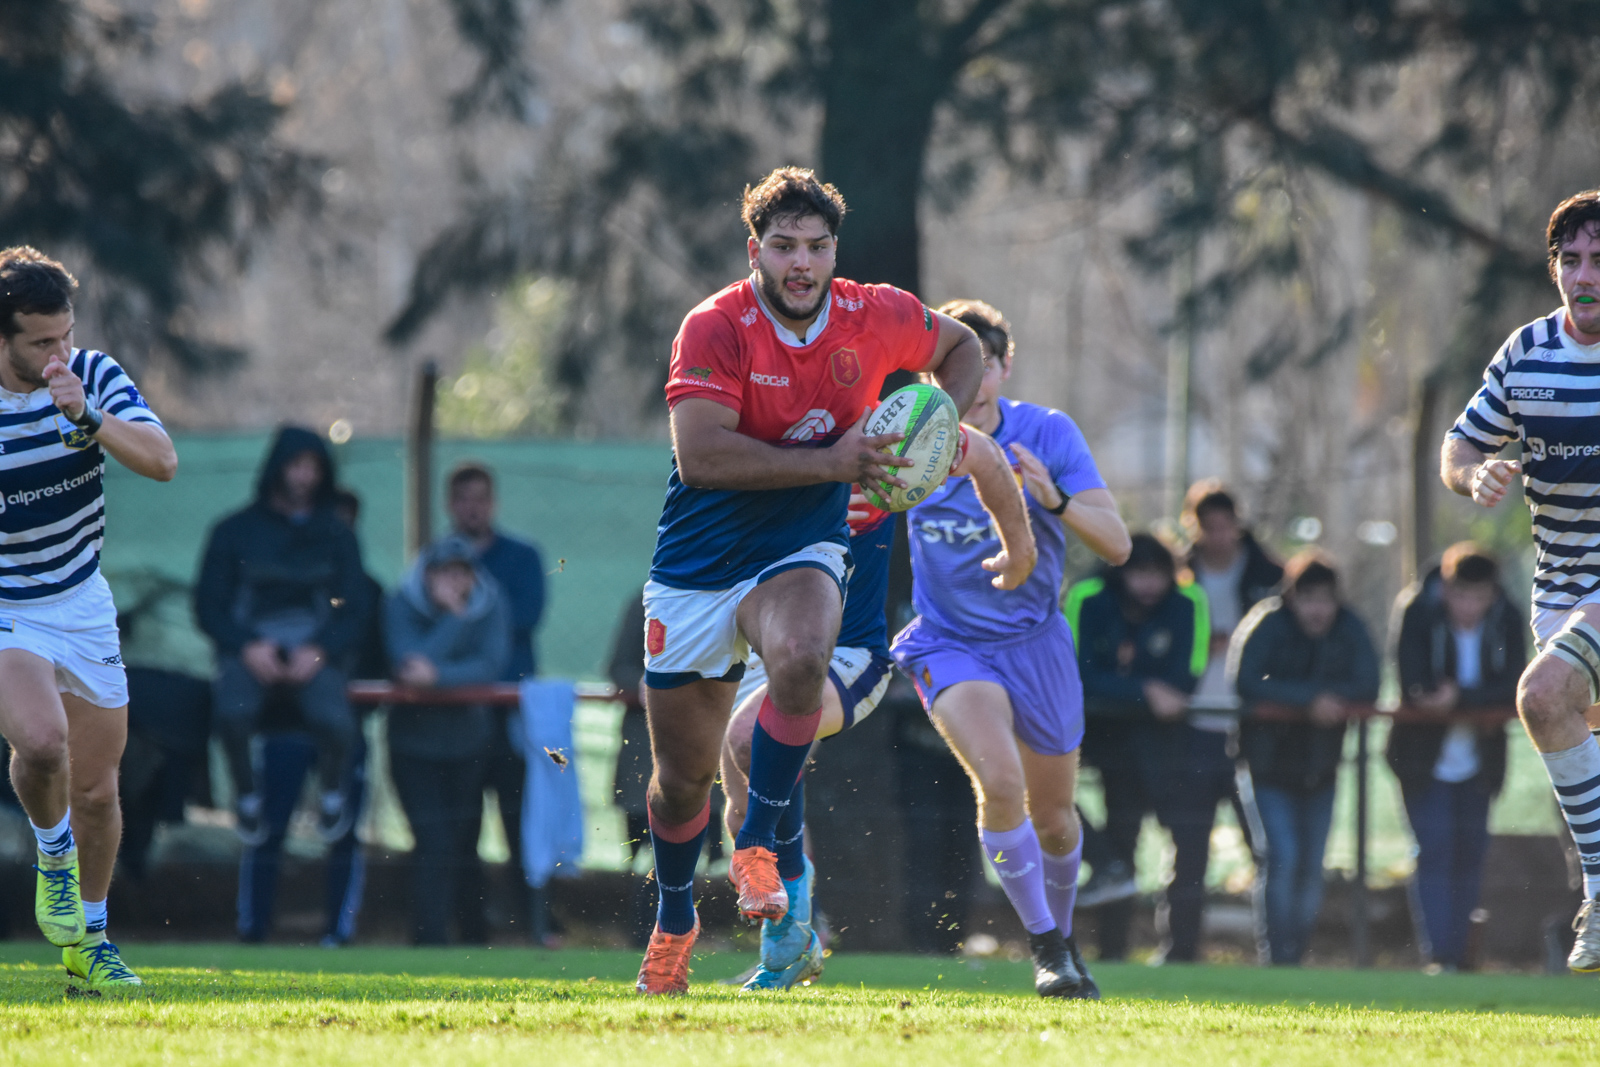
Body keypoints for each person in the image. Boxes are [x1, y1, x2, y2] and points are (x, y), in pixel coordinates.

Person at [635, 166, 985, 994]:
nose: (801, 263)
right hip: (697, 564)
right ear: (754, 250)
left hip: (801, 547)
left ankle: (758, 846)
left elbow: (962, 347)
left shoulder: (876, 315)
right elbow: (701, 456)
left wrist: (938, 430)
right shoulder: (714, 326)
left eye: (817, 247)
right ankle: (676, 919)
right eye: (784, 245)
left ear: (835, 252)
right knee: (681, 783)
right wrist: (833, 461)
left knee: (799, 654)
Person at [893, 298, 1131, 998]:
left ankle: (1064, 941)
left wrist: (1054, 500)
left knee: (1055, 820)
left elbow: (1117, 544)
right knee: (1000, 783)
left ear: (1002, 366)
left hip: (1036, 643)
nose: (969, 380)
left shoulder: (1046, 432)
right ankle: (1046, 946)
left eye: (983, 363)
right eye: (949, 368)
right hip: (950, 642)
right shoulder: (906, 436)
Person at [721, 458, 1034, 989]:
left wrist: (1019, 546)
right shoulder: (776, 445)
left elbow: (980, 452)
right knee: (741, 810)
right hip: (764, 645)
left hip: (847, 655)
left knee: (752, 738)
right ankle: (791, 940)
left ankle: (795, 919)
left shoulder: (884, 442)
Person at [0, 246, 178, 987]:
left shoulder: (92, 375)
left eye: (66, 334)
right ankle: (54, 858)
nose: (58, 353)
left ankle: (91, 944)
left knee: (99, 792)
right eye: (41, 341)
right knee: (44, 743)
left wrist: (87, 416)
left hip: (80, 598)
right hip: (7, 604)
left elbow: (162, 461)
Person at [1440, 189, 1600, 974]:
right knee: (1572, 726)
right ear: (1553, 269)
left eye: (1599, 260)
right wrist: (1474, 476)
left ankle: (1599, 894)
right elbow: (1459, 447)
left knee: (1540, 695)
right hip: (1560, 594)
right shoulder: (1527, 353)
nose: (1585, 275)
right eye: (1571, 260)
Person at [196, 425, 366, 844]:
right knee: (231, 714)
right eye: (296, 465)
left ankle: (332, 793)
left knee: (337, 723)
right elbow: (208, 606)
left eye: (313, 468)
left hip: (315, 655)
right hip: (249, 651)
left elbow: (355, 608)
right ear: (277, 467)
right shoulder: (233, 531)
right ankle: (246, 796)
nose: (305, 477)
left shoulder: (338, 536)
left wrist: (321, 650)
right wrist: (246, 647)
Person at [235, 487, 382, 947]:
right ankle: (254, 928)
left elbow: (378, 661)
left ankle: (338, 930)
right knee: (268, 828)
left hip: (344, 732)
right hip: (285, 728)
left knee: (344, 832)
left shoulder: (368, 593)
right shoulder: (276, 584)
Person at [1064, 533, 1208, 962]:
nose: (1148, 584)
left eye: (1157, 574)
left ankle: (1176, 951)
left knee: (1181, 842)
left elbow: (1183, 681)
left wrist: (1130, 688)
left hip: (1166, 750)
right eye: (1139, 573)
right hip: (1104, 743)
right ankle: (1110, 950)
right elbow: (1079, 673)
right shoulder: (1090, 599)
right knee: (1115, 847)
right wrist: (1144, 691)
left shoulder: (1187, 604)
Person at [1232, 550, 1379, 965]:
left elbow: (1368, 682)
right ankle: (1278, 957)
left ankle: (1295, 955)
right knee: (1282, 858)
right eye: (1308, 599)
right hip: (1266, 767)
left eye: (1325, 599)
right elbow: (1245, 680)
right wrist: (1310, 700)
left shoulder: (1350, 628)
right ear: (1292, 598)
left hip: (1322, 769)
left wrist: (1330, 700)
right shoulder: (1267, 623)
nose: (1317, 610)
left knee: (1311, 866)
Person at [1387, 541, 1525, 971]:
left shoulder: (1508, 618)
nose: (1469, 606)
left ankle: (1462, 956)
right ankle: (1439, 956)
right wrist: (1454, 701)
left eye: (1479, 597)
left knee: (1470, 855)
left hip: (1481, 760)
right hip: (1422, 759)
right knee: (1435, 852)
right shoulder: (1417, 612)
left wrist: (1460, 698)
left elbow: (1516, 684)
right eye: (1461, 595)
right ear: (1446, 589)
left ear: (1492, 594)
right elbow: (1413, 683)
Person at [384, 536, 510, 944]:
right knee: (433, 841)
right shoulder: (401, 603)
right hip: (412, 745)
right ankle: (428, 939)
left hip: (469, 744)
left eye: (462, 573)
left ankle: (473, 938)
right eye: (444, 573)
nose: (454, 582)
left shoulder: (492, 603)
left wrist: (437, 676)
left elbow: (489, 666)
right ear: (427, 574)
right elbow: (408, 665)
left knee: (464, 840)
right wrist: (455, 619)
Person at [444, 462, 548, 941]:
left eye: (481, 498)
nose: (473, 508)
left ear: (493, 502)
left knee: (521, 824)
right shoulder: (436, 559)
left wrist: (461, 613)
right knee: (460, 827)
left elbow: (524, 617)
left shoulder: (524, 557)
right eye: (464, 499)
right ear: (451, 504)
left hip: (511, 713)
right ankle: (469, 931)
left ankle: (532, 926)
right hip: (459, 716)